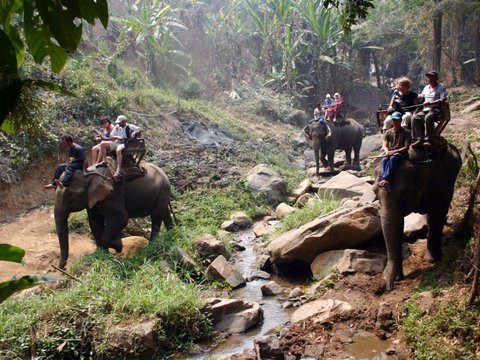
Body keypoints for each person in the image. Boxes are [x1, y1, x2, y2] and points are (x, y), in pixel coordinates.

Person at [411, 70, 447, 147]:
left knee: (428, 117)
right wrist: (419, 96)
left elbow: (443, 98)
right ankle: (419, 138)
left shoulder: (441, 86)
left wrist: (431, 103)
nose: (430, 79)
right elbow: (422, 95)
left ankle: (429, 138)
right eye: (428, 77)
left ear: (436, 78)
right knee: (415, 117)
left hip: (436, 109)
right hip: (425, 109)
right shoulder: (426, 87)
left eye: (432, 77)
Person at [378, 111, 411, 192]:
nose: (395, 122)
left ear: (400, 121)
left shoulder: (406, 132)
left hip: (402, 153)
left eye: (397, 120)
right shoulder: (388, 132)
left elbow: (406, 147)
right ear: (392, 121)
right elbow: (385, 145)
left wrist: (393, 152)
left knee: (393, 158)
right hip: (391, 152)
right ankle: (384, 178)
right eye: (394, 120)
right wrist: (386, 151)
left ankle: (386, 179)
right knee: (384, 159)